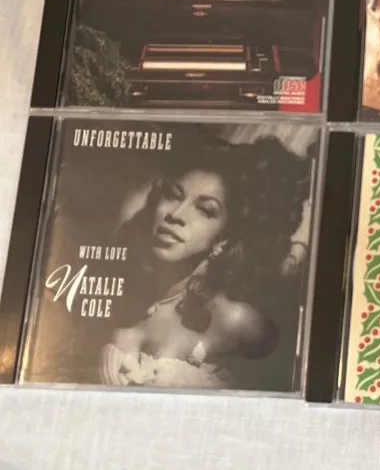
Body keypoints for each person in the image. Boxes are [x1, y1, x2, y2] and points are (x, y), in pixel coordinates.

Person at [98, 137, 308, 390]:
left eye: (206, 210)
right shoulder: (130, 280)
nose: (175, 215)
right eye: (172, 196)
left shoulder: (237, 320)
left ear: (227, 235)